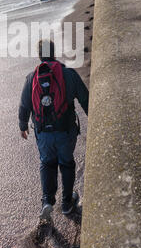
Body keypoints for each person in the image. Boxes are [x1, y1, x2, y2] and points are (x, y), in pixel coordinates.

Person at [18, 39, 89, 219]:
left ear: (40, 55)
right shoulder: (68, 74)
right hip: (65, 130)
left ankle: (47, 201)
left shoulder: (31, 78)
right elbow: (85, 99)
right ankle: (66, 203)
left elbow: (24, 105)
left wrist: (23, 125)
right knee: (66, 163)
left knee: (47, 163)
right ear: (54, 53)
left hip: (43, 133)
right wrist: (93, 118)